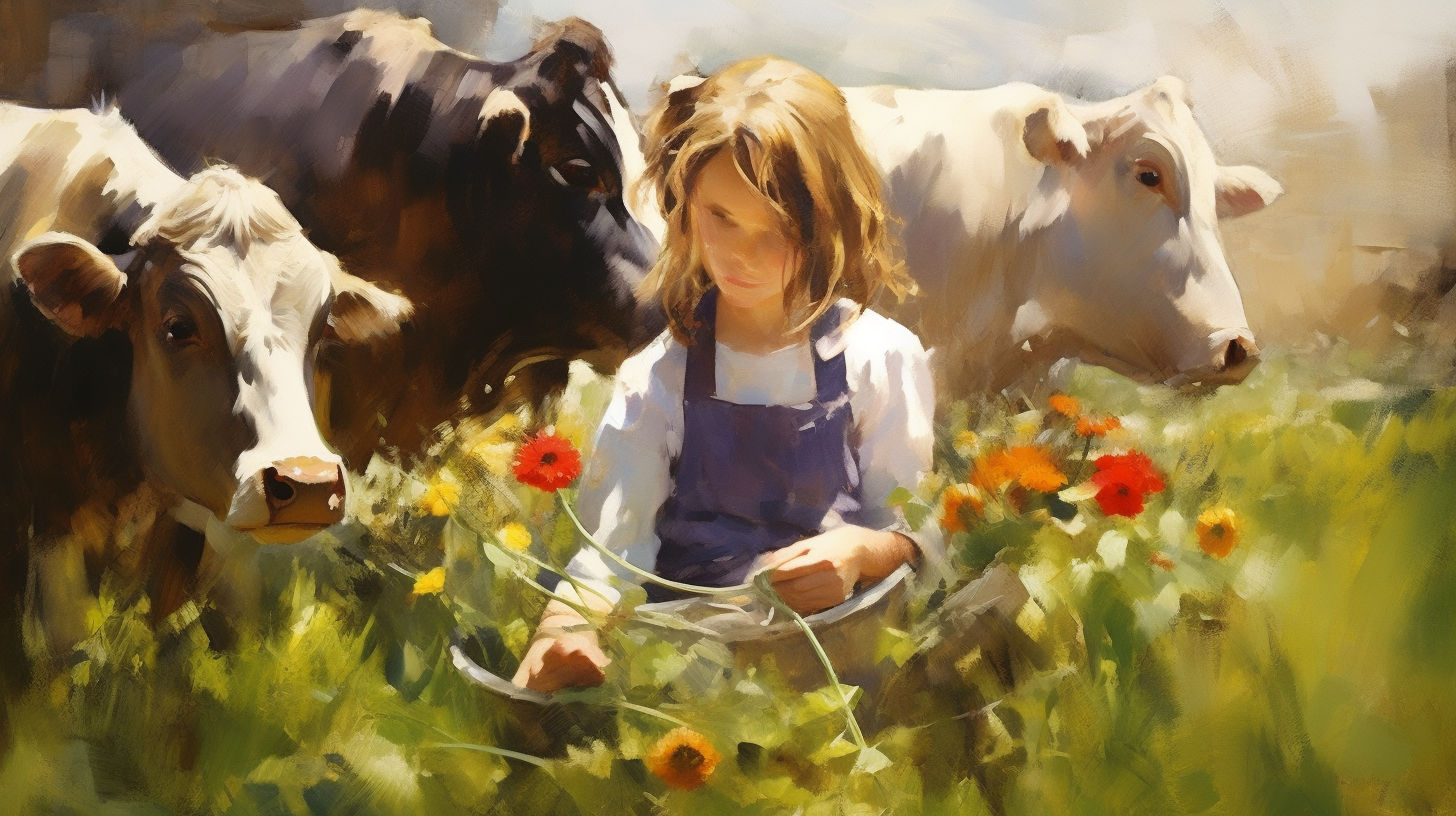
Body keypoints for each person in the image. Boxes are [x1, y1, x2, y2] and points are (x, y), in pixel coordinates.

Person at [512, 56, 939, 693]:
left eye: (778, 230)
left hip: (837, 669)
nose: (742, 256)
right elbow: (611, 554)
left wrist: (859, 554)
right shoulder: (658, 379)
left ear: (827, 226)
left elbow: (915, 534)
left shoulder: (879, 358)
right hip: (694, 666)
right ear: (687, 208)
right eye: (722, 218)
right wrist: (563, 636)